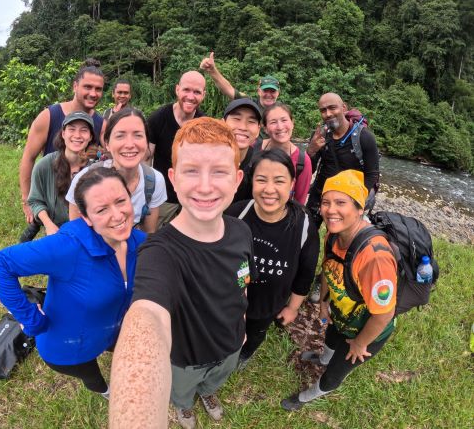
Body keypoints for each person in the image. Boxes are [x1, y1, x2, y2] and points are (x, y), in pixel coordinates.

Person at [109, 117, 257, 429]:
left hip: (230, 346)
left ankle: (209, 393)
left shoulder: (242, 231)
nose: (205, 186)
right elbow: (146, 316)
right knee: (183, 391)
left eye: (219, 171)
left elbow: (242, 281)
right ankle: (185, 407)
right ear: (173, 179)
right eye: (192, 171)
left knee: (215, 380)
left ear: (237, 179)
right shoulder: (158, 252)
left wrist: (242, 321)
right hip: (184, 359)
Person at [0, 166, 147, 399]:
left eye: (121, 201)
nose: (118, 215)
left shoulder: (138, 240)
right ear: (86, 218)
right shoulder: (68, 248)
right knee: (92, 376)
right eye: (102, 209)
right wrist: (31, 319)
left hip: (108, 329)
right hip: (67, 344)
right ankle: (105, 392)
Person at [281, 170, 397, 411]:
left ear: (359, 208)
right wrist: (324, 302)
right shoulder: (333, 236)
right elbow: (328, 267)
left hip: (367, 330)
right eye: (326, 202)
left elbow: (384, 314)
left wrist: (359, 344)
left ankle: (309, 395)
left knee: (337, 370)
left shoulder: (375, 257)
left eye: (341, 202)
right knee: (332, 338)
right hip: (343, 313)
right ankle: (323, 358)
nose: (331, 210)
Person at [226, 149, 319, 370]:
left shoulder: (304, 226)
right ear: (251, 182)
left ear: (292, 183)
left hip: (267, 306)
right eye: (261, 180)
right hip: (228, 301)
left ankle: (245, 354)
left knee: (255, 335)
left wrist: (293, 309)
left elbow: (305, 275)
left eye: (279, 181)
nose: (269, 190)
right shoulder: (235, 214)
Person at [19, 59, 107, 241]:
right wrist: (26, 199)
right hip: (52, 201)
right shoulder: (50, 116)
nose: (93, 93)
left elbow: (105, 157)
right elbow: (28, 157)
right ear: (75, 86)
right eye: (87, 87)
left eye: (98, 89)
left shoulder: (101, 124)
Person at [67, 107, 167, 233]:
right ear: (107, 143)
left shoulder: (154, 180)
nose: (130, 144)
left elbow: (147, 234)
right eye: (120, 136)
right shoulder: (84, 180)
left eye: (138, 135)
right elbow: (76, 233)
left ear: (147, 142)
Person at [306, 92, 379, 228]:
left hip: (347, 199)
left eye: (332, 108)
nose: (328, 114)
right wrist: (311, 150)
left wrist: (358, 202)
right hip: (320, 194)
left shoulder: (364, 137)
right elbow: (310, 170)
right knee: (307, 233)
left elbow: (372, 174)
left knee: (339, 241)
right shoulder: (319, 135)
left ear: (344, 108)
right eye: (323, 110)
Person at [146, 70, 206, 227]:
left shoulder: (204, 124)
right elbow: (146, 159)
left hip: (192, 200)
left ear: (204, 95)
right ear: (177, 89)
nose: (191, 96)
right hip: (163, 199)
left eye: (197, 92)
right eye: (186, 90)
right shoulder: (158, 118)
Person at [25, 111, 95, 238]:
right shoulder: (45, 165)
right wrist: (48, 224)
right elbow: (35, 201)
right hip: (56, 231)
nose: (77, 135)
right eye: (71, 129)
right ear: (63, 133)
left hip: (89, 232)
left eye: (84, 130)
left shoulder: (96, 169)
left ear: (90, 136)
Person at [260, 102, 312, 205]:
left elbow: (299, 202)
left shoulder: (302, 161)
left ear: (292, 123)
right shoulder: (254, 149)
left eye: (284, 120)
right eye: (273, 122)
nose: (280, 127)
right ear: (265, 128)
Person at [199, 51, 280, 111]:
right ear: (259, 91)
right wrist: (212, 71)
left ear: (278, 93)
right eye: (265, 90)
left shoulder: (282, 112)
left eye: (272, 91)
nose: (269, 94)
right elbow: (229, 90)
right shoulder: (250, 104)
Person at [221, 97, 262, 202]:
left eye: (251, 121)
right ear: (222, 124)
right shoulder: (205, 158)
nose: (243, 127)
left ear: (258, 130)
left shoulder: (259, 166)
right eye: (236, 119)